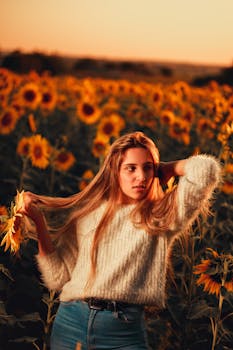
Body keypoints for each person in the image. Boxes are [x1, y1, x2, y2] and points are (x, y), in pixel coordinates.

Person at [20, 131, 221, 350]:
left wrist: (167, 168)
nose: (141, 177)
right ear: (115, 171)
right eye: (131, 168)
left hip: (122, 331)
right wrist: (38, 221)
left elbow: (206, 171)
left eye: (147, 167)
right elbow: (58, 278)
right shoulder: (88, 214)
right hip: (70, 322)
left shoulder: (161, 216)